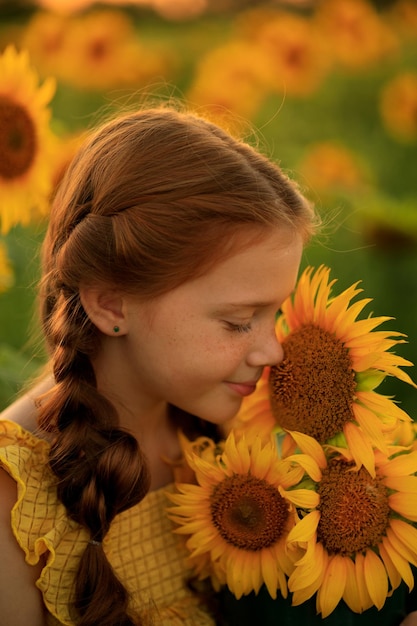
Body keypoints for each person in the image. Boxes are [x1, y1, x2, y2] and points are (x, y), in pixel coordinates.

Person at [0, 105, 315, 626]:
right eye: (240, 321)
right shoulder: (15, 501)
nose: (273, 351)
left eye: (275, 313)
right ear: (111, 304)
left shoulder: (238, 436)